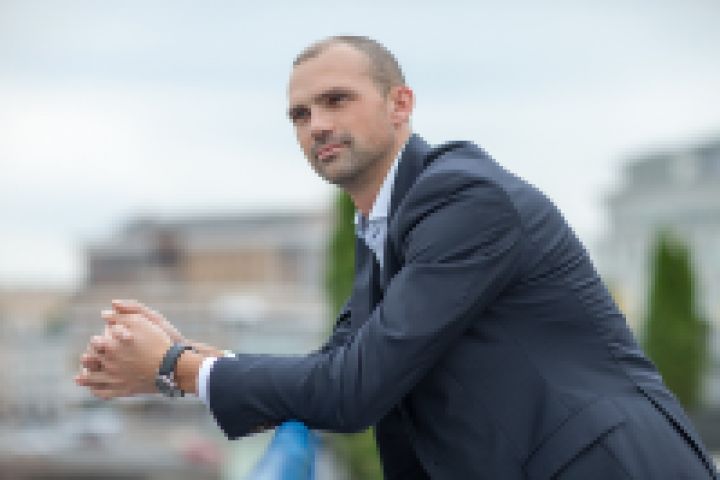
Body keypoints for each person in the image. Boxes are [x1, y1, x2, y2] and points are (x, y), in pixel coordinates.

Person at [75, 36, 717, 479]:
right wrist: (184, 355)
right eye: (299, 114)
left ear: (399, 103)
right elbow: (339, 367)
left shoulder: (463, 200)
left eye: (336, 100)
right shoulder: (385, 223)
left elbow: (355, 390)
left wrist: (175, 368)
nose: (316, 125)